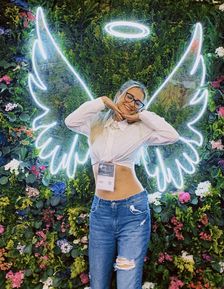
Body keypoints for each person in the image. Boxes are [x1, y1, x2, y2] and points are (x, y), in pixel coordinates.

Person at [64, 80, 180, 289]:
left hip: (132, 212)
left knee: (127, 282)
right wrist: (103, 102)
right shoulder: (96, 123)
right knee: (98, 282)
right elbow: (70, 121)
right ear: (120, 94)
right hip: (101, 212)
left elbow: (172, 135)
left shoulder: (141, 128)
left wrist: (141, 116)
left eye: (138, 102)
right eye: (129, 96)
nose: (133, 103)